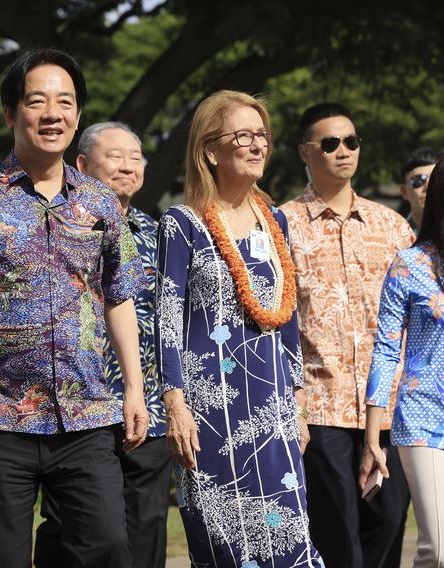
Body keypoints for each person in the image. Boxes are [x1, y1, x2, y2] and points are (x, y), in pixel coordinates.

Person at [0, 48, 148, 567]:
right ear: (10, 113)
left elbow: (119, 295)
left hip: (85, 413)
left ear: (78, 115)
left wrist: (133, 386)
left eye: (65, 102)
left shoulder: (100, 202)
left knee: (107, 543)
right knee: (1, 557)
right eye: (36, 101)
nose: (52, 114)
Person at [156, 89, 321, 567]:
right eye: (243, 135)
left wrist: (297, 403)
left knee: (290, 542)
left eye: (262, 135)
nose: (257, 145)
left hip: (272, 410)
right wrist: (175, 404)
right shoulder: (183, 224)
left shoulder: (275, 223)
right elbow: (167, 321)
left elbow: (288, 319)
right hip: (210, 413)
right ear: (211, 150)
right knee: (227, 546)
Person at [280, 102, 413, 568]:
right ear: (304, 152)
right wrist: (290, 406)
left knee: (390, 522)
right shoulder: (281, 225)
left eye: (351, 142)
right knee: (337, 534)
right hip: (319, 405)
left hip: (392, 406)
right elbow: (276, 324)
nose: (344, 151)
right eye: (330, 143)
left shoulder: (393, 227)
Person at [35, 121, 170, 568]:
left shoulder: (161, 233)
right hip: (76, 407)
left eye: (136, 157)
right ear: (82, 164)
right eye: (115, 156)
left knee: (146, 524)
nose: (128, 166)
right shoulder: (57, 225)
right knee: (72, 530)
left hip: (146, 403)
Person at [362, 150, 444, 567]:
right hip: (425, 420)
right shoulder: (410, 264)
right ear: (439, 195)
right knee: (442, 551)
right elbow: (385, 348)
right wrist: (372, 431)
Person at [399, 147, 444, 233]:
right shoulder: (392, 237)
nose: (428, 186)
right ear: (404, 191)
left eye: (437, 178)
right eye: (418, 180)